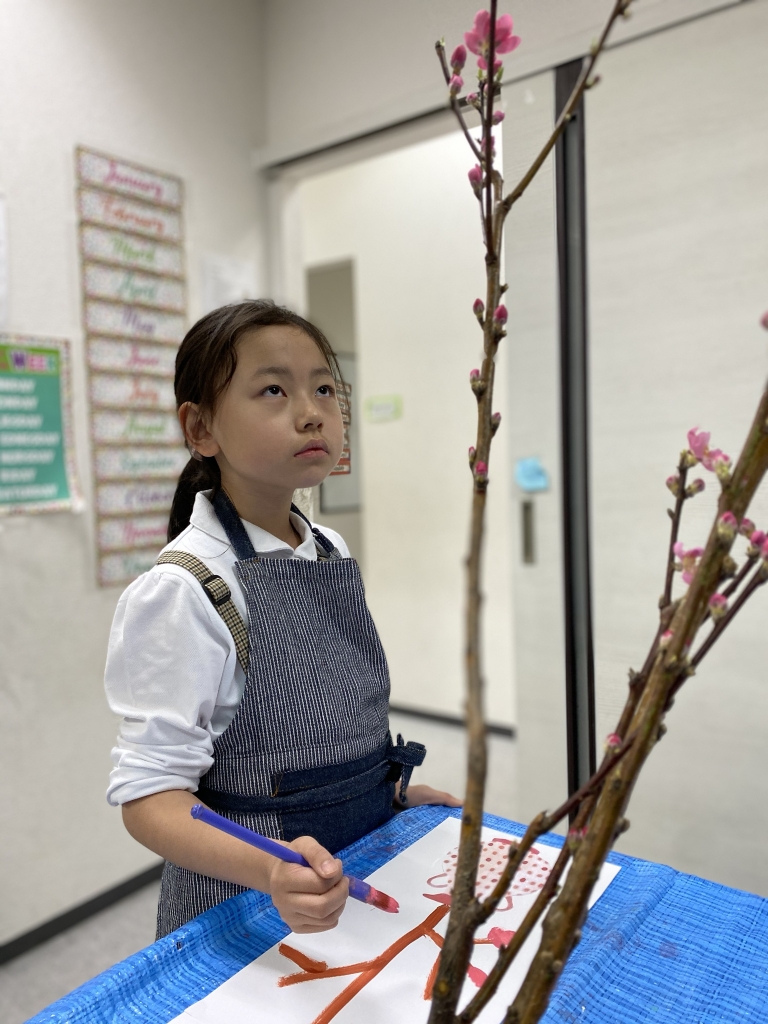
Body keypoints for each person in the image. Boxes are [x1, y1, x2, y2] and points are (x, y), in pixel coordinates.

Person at [105, 300, 460, 939]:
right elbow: (150, 799)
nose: (311, 412)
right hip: (248, 905)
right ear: (200, 428)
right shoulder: (185, 589)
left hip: (353, 869)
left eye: (324, 388)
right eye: (273, 390)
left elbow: (328, 738)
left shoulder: (328, 549)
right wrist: (270, 869)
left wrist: (388, 797)